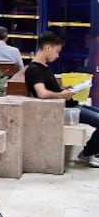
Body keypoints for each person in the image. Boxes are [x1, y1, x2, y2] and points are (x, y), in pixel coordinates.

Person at [25, 31, 99, 167]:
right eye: (57, 51)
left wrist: (65, 89)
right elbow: (42, 93)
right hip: (62, 109)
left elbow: (50, 89)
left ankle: (92, 150)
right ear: (48, 47)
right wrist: (61, 95)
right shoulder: (35, 69)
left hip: (70, 104)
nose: (57, 55)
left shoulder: (44, 67)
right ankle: (88, 153)